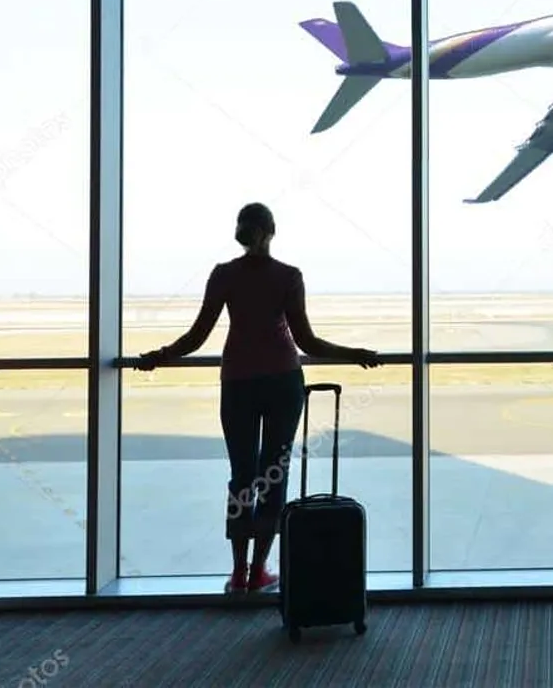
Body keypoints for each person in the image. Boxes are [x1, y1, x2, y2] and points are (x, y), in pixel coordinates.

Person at [136, 202, 380, 594]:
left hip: (237, 383)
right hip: (283, 381)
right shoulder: (288, 276)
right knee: (273, 474)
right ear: (272, 230)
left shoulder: (224, 276)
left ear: (241, 231)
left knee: (242, 478)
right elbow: (307, 341)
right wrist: (355, 354)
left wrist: (157, 357)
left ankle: (237, 572)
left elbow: (197, 336)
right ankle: (259, 570)